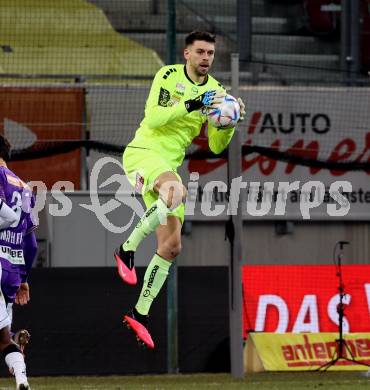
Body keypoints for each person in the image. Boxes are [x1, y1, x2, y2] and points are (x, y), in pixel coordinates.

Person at [114, 31, 245, 349]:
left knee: (172, 247)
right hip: (144, 154)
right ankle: (127, 248)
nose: (206, 58)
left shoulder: (217, 92)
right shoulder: (168, 75)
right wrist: (193, 103)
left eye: (211, 53)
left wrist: (228, 123)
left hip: (168, 166)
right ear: (187, 53)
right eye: (200, 52)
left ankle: (139, 312)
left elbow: (215, 146)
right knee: (176, 191)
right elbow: (155, 118)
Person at [0, 135, 37, 389]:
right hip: (11, 271)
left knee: (3, 338)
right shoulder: (25, 187)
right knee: (3, 339)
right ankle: (22, 378)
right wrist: (23, 279)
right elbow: (31, 244)